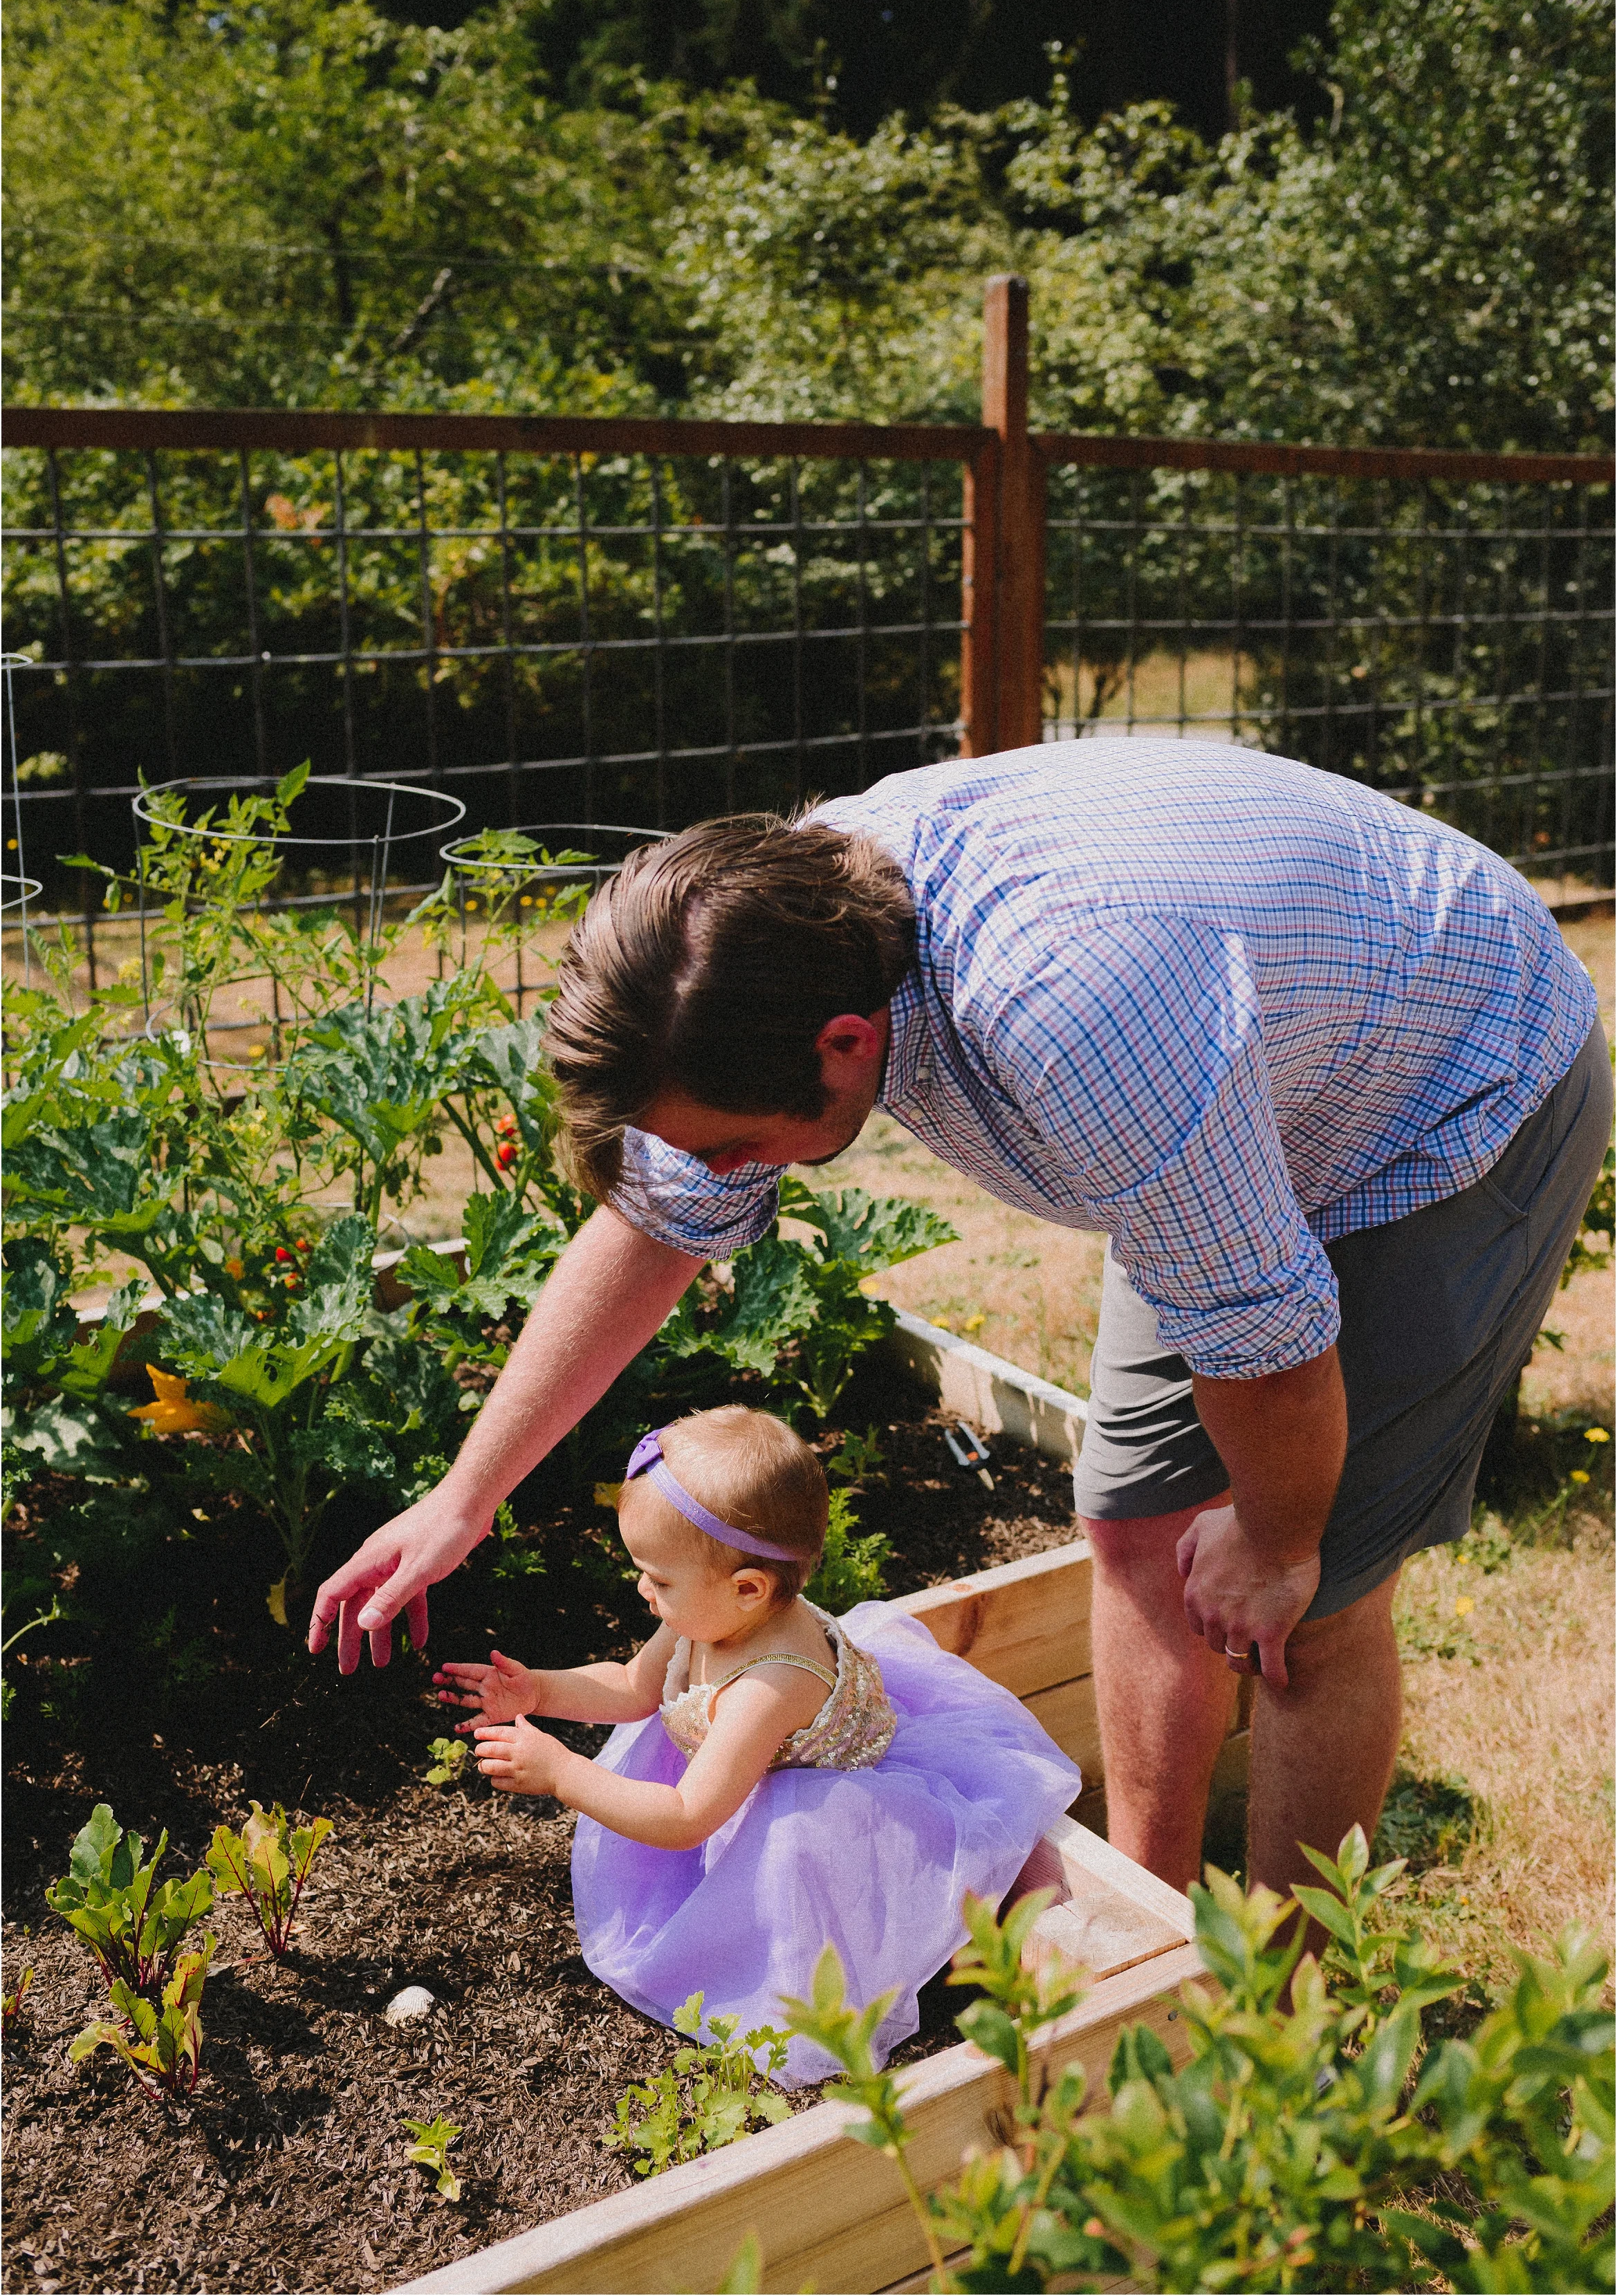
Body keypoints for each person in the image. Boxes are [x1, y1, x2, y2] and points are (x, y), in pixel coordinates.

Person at [311, 739, 1609, 1905]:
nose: (715, 1182)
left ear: (840, 1044)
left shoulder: (1073, 1034)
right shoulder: (765, 956)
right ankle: (1150, 1940)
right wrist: (463, 1497)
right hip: (1243, 1059)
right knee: (1136, 1527)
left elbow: (1265, 1347)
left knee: (1307, 1604)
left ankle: (1280, 2027)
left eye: (733, 1152)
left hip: (1449, 1079)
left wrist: (1273, 1541)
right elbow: (651, 1222)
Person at [432, 1405, 1082, 2080]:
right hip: (734, 1771)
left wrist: (564, 1773)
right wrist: (538, 1690)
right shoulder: (709, 1612)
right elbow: (632, 1685)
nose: (641, 1588)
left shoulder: (769, 1684)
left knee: (801, 1890)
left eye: (657, 1577)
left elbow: (686, 1818)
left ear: (747, 1588)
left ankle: (988, 1914)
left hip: (831, 1820)